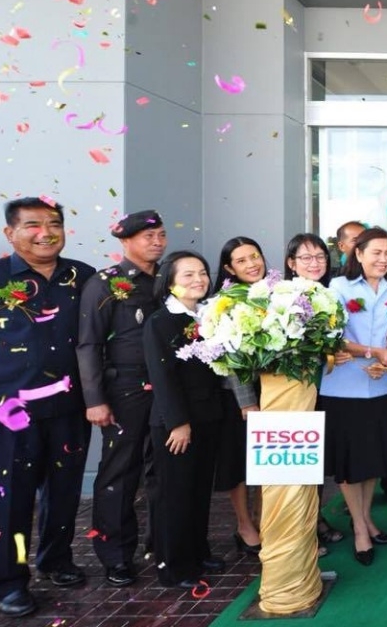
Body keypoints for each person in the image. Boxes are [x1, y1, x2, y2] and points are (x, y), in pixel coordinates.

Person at [0, 197, 96, 617]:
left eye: (54, 224)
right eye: (32, 225)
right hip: (5, 411)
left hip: (69, 406)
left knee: (64, 492)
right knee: (7, 497)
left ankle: (56, 560)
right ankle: (6, 582)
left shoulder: (82, 276)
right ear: (9, 233)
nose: (45, 233)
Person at [77, 210, 167, 587]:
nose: (158, 242)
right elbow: (88, 344)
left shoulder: (168, 279)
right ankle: (115, 556)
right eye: (149, 237)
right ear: (126, 241)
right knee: (120, 471)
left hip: (166, 387)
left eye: (161, 235)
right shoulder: (105, 283)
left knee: (163, 469)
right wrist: (94, 399)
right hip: (125, 388)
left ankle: (163, 545)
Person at [320, 227, 387, 565]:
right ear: (358, 253)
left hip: (381, 385)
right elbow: (333, 336)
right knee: (350, 462)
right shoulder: (338, 288)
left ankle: (367, 517)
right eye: (376, 253)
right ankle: (358, 527)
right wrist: (372, 352)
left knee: (372, 460)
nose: (383, 259)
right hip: (344, 387)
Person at [143, 250, 226, 588]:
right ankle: (173, 566)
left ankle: (197, 551)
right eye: (188, 275)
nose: (198, 280)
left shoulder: (210, 315)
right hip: (176, 423)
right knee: (174, 495)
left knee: (199, 491)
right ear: (170, 282)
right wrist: (178, 423)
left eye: (202, 273)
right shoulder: (160, 321)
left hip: (208, 416)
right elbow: (162, 377)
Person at [284, 233, 349, 551]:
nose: (314, 263)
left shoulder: (332, 293)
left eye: (320, 256)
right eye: (306, 257)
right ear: (291, 263)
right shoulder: (280, 297)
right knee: (294, 464)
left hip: (327, 391)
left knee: (317, 462)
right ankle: (296, 531)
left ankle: (315, 519)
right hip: (292, 395)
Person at [215, 237, 265, 555]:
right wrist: (247, 401)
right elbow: (230, 355)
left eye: (255, 256)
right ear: (229, 268)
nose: (252, 264)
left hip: (272, 390)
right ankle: (245, 525)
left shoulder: (273, 293)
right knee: (241, 464)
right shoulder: (226, 301)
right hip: (239, 397)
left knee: (266, 460)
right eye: (242, 260)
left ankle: (265, 519)